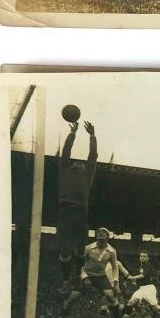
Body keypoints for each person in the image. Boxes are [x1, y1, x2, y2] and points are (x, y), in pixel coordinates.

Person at [56, 119, 97, 292]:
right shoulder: (65, 171)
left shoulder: (87, 175)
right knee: (65, 249)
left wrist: (92, 137)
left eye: (81, 163)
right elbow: (65, 152)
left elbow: (92, 156)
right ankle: (66, 278)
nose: (79, 163)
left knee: (81, 248)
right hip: (65, 210)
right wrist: (72, 134)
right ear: (71, 166)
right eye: (76, 162)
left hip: (81, 212)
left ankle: (78, 275)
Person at [52, 227, 123, 318]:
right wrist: (85, 277)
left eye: (103, 232)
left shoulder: (112, 251)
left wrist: (116, 282)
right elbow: (80, 264)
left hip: (100, 276)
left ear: (108, 236)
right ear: (96, 236)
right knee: (72, 297)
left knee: (110, 296)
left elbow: (115, 267)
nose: (100, 233)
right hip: (87, 274)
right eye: (98, 232)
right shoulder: (88, 248)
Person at [121, 250, 160, 318]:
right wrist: (131, 280)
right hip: (141, 289)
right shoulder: (139, 268)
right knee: (131, 302)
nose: (142, 258)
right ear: (139, 258)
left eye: (144, 256)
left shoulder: (148, 265)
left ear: (148, 258)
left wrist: (132, 277)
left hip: (149, 289)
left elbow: (143, 275)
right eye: (141, 256)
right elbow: (137, 280)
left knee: (156, 308)